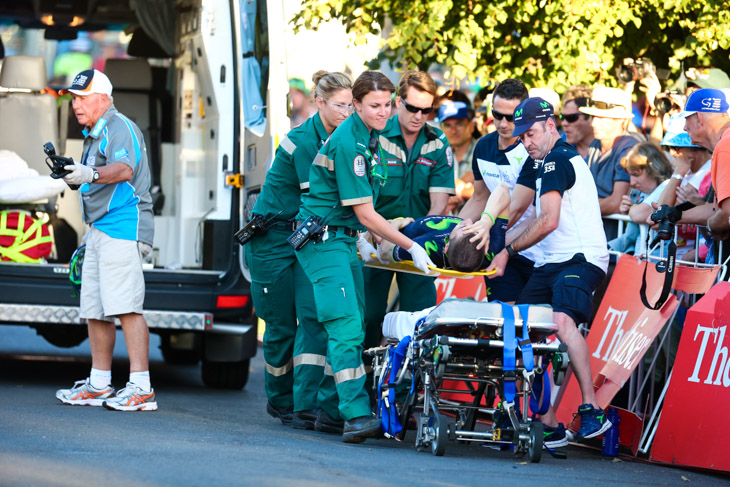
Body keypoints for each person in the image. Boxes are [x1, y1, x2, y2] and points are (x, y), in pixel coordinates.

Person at [294, 70, 435, 444]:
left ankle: (330, 411)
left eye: (388, 104)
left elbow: (363, 213)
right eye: (375, 105)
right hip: (324, 241)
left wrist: (369, 239)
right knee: (346, 326)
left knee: (353, 321)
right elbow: (366, 213)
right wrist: (409, 245)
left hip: (341, 239)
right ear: (355, 104)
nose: (384, 112)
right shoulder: (351, 143)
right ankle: (356, 415)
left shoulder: (368, 138)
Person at [474, 97, 612, 446]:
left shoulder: (557, 159)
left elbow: (547, 221)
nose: (526, 142)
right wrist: (495, 240)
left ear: (551, 126)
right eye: (522, 137)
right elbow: (523, 211)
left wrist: (505, 249)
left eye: (531, 133)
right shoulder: (542, 161)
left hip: (581, 258)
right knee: (522, 334)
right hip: (550, 262)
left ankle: (591, 409)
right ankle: (548, 421)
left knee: (562, 322)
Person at [245, 71, 353, 429]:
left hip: (305, 237)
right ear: (319, 103)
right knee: (280, 326)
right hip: (273, 241)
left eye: (351, 104)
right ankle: (279, 399)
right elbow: (320, 198)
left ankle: (307, 403)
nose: (347, 111)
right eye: (340, 105)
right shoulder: (305, 141)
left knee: (313, 317)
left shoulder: (342, 135)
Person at [54, 69, 156, 411]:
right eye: (74, 99)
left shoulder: (118, 126)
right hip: (100, 228)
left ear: (103, 98)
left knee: (126, 307)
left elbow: (124, 169)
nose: (76, 105)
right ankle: (99, 384)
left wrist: (90, 173)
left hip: (123, 226)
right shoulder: (95, 133)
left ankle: (141, 388)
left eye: (83, 98)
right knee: (96, 309)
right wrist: (75, 175)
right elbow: (95, 178)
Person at [361, 71, 454, 361]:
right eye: (413, 108)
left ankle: (405, 392)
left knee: (420, 317)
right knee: (369, 313)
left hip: (415, 241)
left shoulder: (437, 142)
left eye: (426, 110)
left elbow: (438, 206)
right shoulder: (374, 133)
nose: (418, 116)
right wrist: (382, 238)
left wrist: (416, 244)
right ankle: (361, 385)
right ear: (399, 102)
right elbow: (363, 198)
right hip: (373, 238)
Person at [460, 78, 540, 303]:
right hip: (497, 243)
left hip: (535, 249)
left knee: (533, 325)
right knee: (503, 320)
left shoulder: (532, 150)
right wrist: (454, 229)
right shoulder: (483, 146)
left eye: (511, 117)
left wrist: (485, 235)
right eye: (497, 115)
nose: (503, 123)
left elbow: (516, 209)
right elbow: (478, 199)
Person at [375, 183, 511, 271]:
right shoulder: (490, 250)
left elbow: (384, 251)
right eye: (474, 230)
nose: (469, 221)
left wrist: (397, 223)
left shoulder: (429, 247)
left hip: (394, 224)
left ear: (446, 247)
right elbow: (503, 189)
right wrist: (486, 222)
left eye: (463, 227)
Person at [664, 89, 730, 266]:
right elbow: (717, 208)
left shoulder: (725, 145)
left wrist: (710, 227)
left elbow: (727, 214)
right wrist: (674, 216)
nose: (685, 128)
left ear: (699, 118)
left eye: (686, 120)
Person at [580, 87, 642, 240]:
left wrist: (576, 209)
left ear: (621, 120)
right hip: (592, 237)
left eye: (601, 118)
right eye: (593, 117)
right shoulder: (595, 144)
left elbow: (616, 202)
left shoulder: (629, 148)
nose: (594, 123)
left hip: (616, 244)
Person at [614, 142, 673, 254]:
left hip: (659, 260)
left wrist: (632, 208)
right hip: (643, 258)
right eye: (630, 175)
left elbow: (638, 215)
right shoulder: (643, 191)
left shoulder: (667, 186)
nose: (631, 182)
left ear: (655, 169)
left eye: (636, 175)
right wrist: (626, 213)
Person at [439, 101, 478, 213]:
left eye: (459, 124)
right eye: (447, 125)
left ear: (471, 126)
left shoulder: (483, 150)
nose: (453, 130)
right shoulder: (441, 156)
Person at [559, 86, 594, 160]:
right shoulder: (558, 146)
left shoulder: (608, 148)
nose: (564, 123)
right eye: (562, 117)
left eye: (571, 117)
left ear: (590, 116)